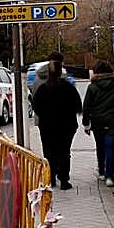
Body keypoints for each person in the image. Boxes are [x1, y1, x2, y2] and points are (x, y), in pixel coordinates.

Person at [29, 52, 82, 190]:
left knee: (49, 152)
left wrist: (45, 117)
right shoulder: (68, 87)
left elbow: (36, 106)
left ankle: (50, 178)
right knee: (64, 151)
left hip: (47, 126)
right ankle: (64, 180)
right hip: (66, 125)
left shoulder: (42, 88)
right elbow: (77, 106)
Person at [82, 59, 114, 187]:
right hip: (112, 122)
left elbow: (86, 107)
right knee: (110, 147)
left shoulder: (92, 87)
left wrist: (86, 124)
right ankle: (110, 177)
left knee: (100, 147)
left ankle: (101, 171)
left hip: (97, 122)